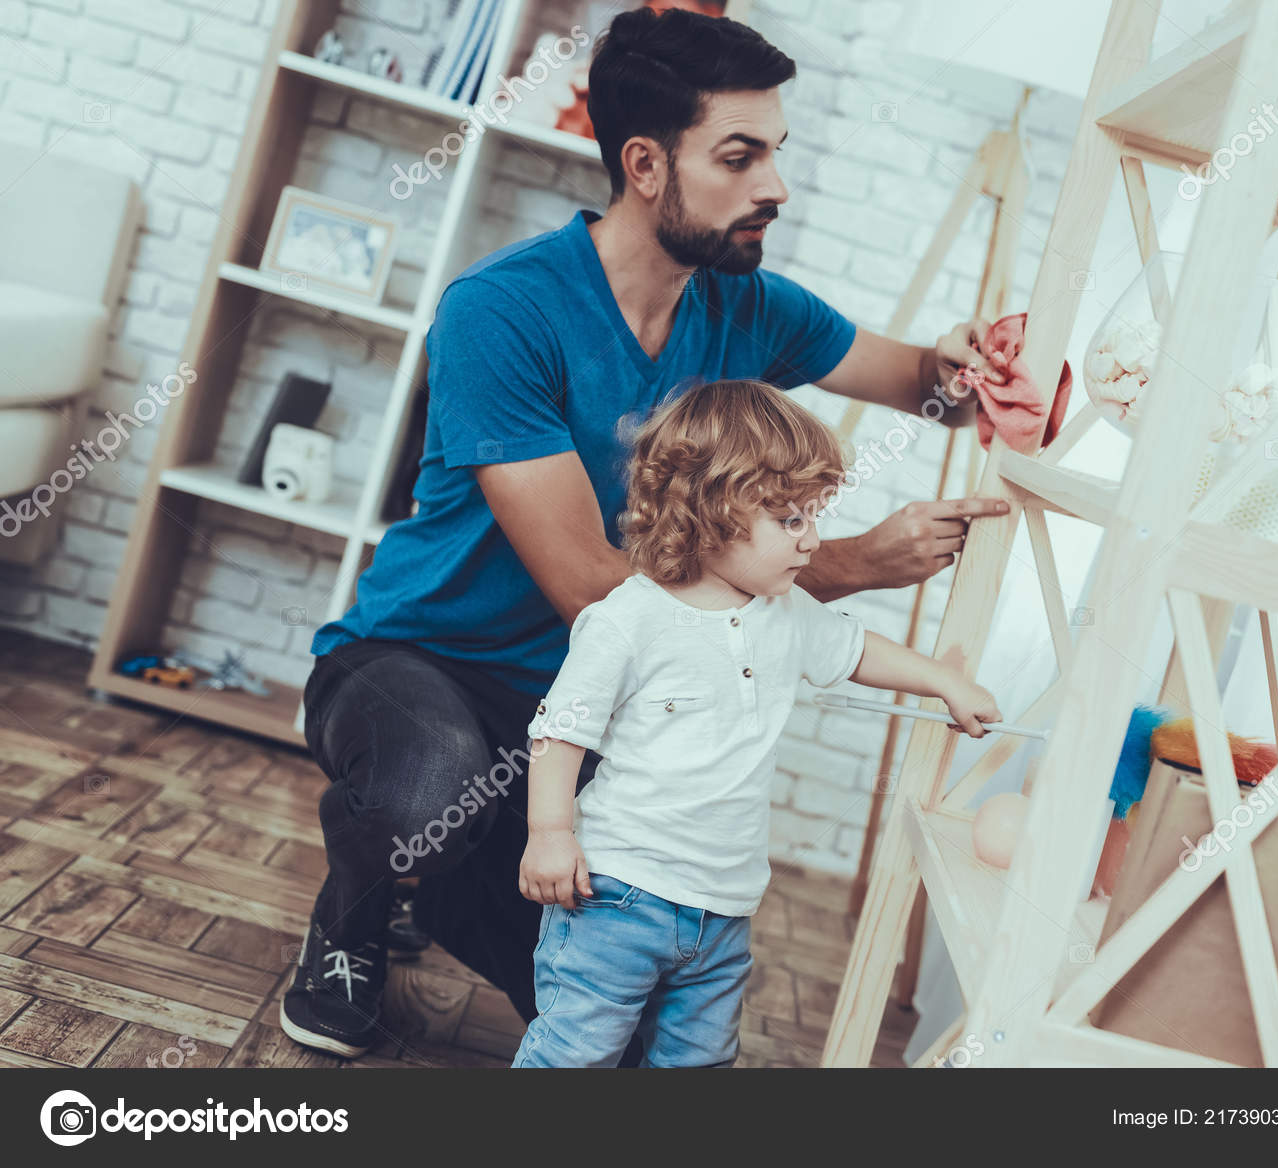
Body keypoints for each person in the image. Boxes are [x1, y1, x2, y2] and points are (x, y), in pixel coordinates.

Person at [282, 6, 1009, 1060]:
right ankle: (354, 915)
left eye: (777, 152)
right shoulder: (502, 311)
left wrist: (964, 364)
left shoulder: (748, 306)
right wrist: (852, 564)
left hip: (582, 715)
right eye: (740, 157)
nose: (776, 185)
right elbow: (592, 585)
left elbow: (919, 385)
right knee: (427, 791)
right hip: (423, 666)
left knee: (620, 1046)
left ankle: (434, 878)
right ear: (645, 164)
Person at [512, 380, 1000, 1068]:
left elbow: (857, 650)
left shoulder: (785, 611)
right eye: (791, 520)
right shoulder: (628, 619)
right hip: (616, 893)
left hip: (724, 908)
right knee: (575, 1052)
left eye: (814, 516)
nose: (813, 540)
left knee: (700, 1060)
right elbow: (560, 732)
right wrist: (550, 835)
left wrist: (944, 681)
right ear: (710, 511)